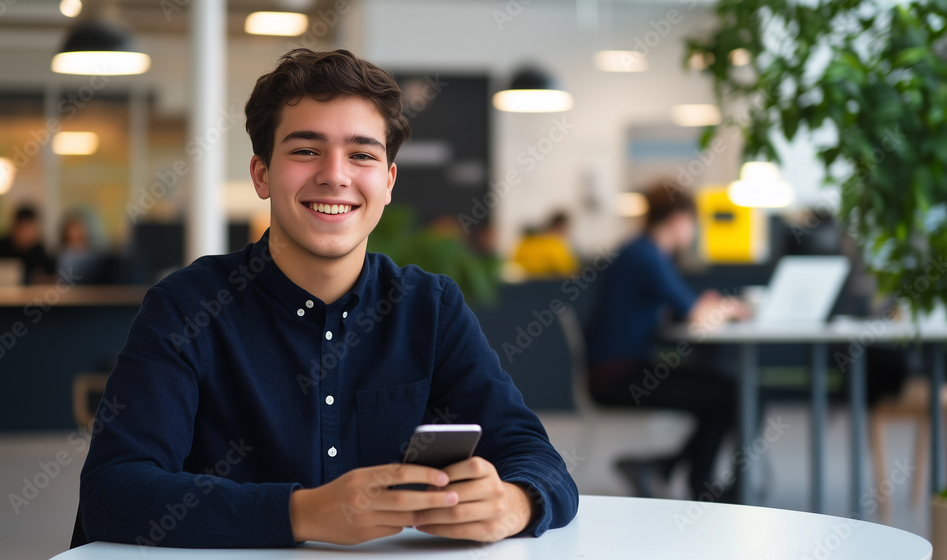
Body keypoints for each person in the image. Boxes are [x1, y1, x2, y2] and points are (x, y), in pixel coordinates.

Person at [74, 49, 577, 549]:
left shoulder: (431, 307)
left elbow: (534, 455)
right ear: (262, 174)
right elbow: (113, 491)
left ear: (387, 182)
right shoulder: (186, 307)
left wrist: (515, 502)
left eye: (362, 154)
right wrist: (302, 513)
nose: (335, 175)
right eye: (305, 150)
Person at [584, 182, 748, 501]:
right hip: (617, 377)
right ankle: (697, 484)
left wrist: (706, 308)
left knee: (724, 391)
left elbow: (685, 310)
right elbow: (694, 313)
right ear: (677, 219)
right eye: (693, 222)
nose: (694, 230)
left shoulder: (640, 252)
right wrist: (730, 308)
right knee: (732, 393)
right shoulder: (646, 256)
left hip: (619, 369)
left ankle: (666, 468)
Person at [0, 205, 55, 284]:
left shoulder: (39, 250)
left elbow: (51, 275)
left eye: (31, 229)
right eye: (24, 228)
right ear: (15, 227)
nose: (27, 234)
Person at [511, 211, 579, 277]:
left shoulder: (526, 241)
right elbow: (566, 268)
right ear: (559, 226)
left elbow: (515, 262)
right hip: (548, 284)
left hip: (525, 283)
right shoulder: (553, 244)